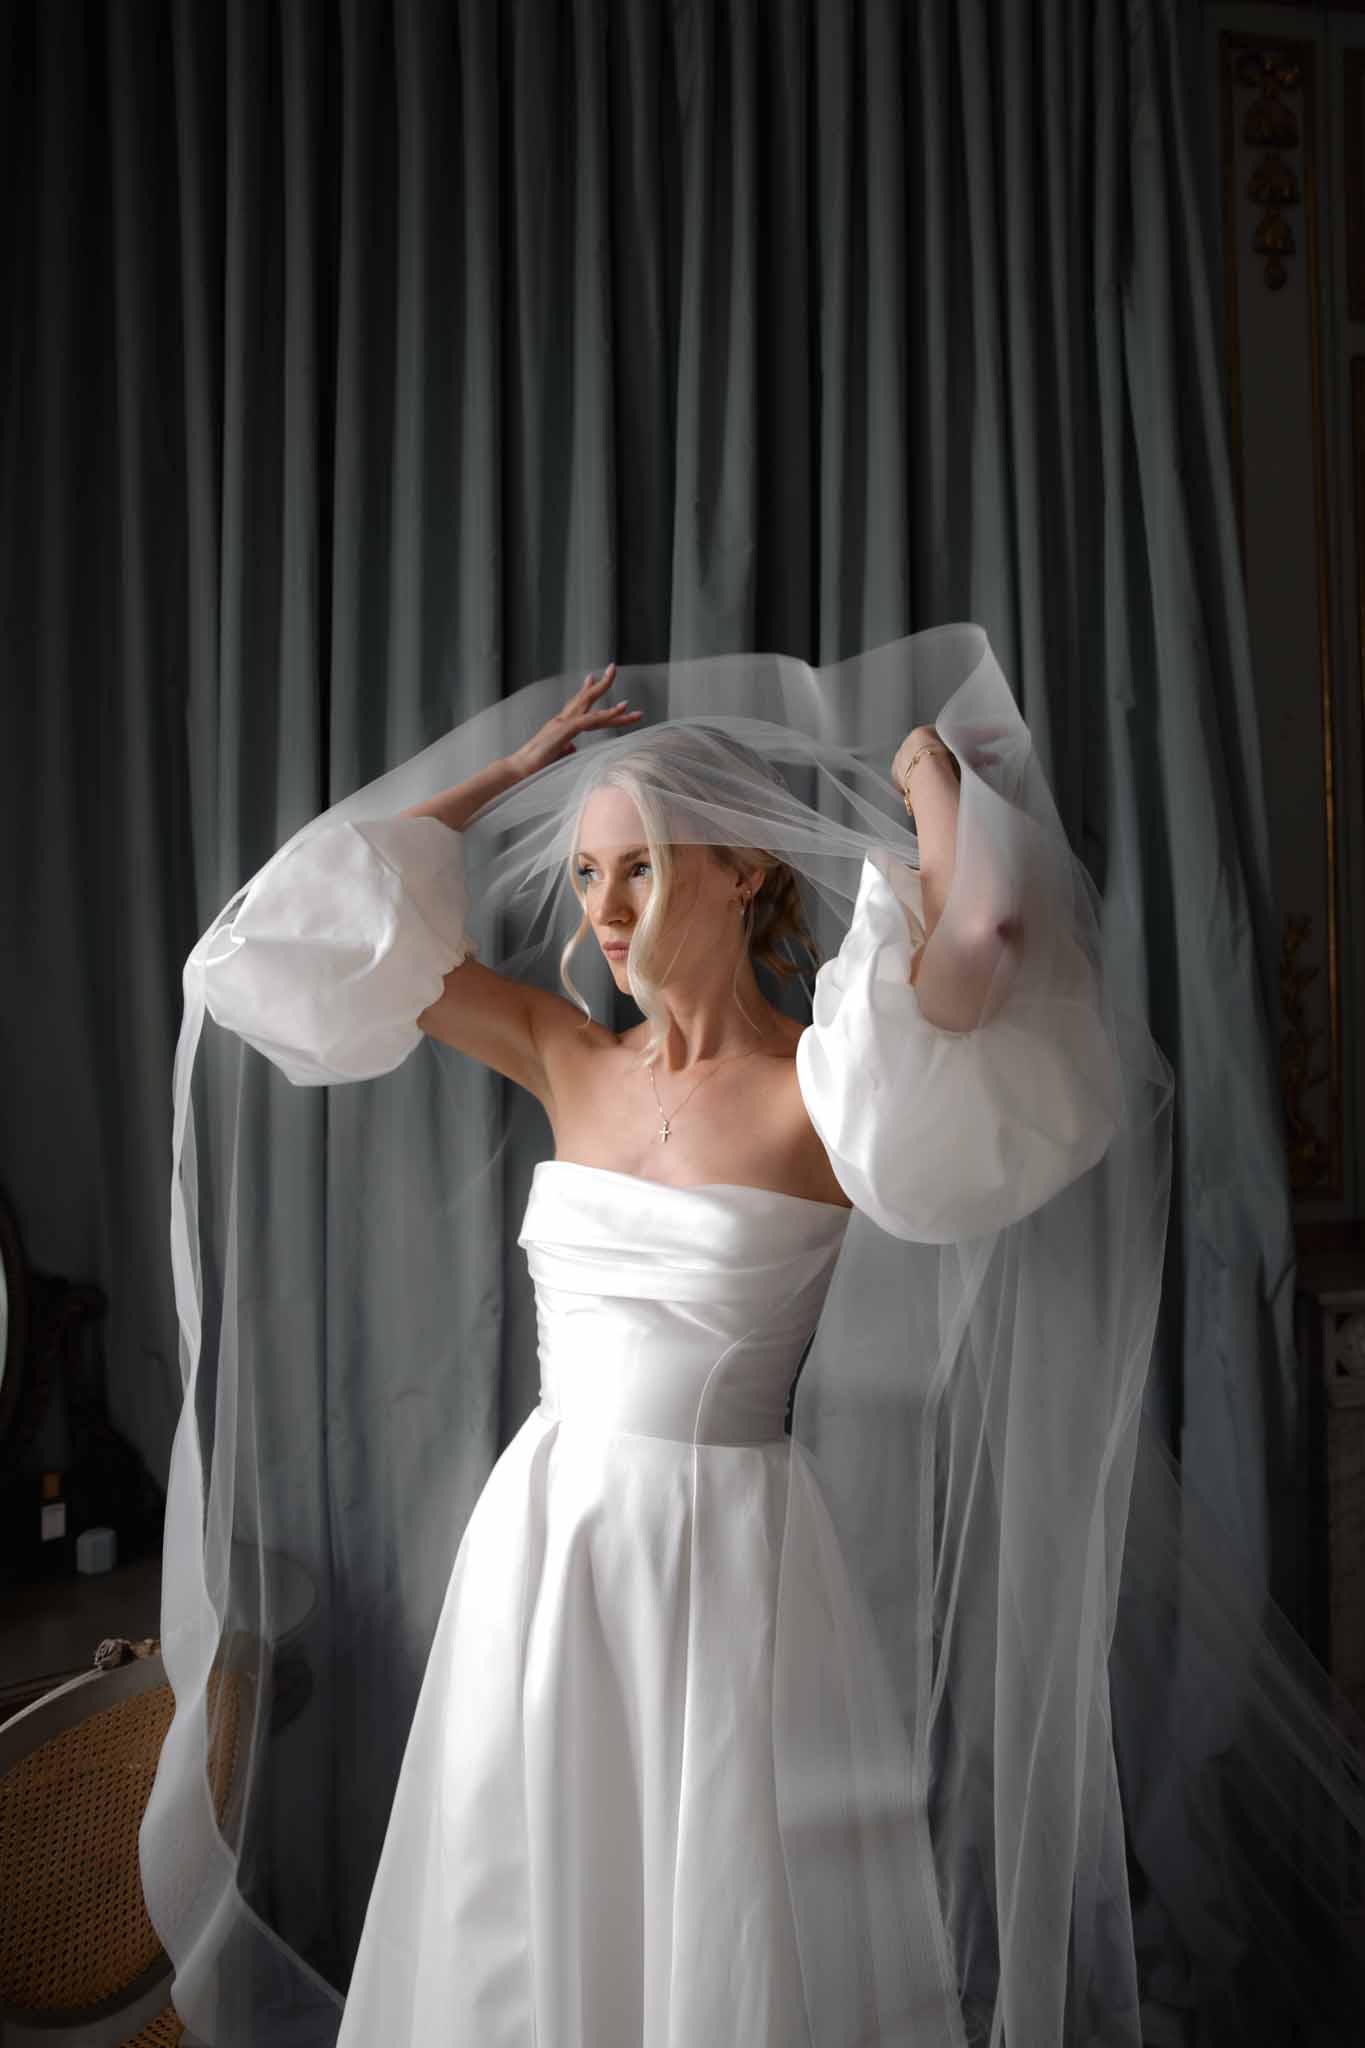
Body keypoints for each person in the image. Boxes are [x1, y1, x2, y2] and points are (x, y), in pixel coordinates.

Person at [140, 626, 1365, 2047]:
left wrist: (923, 773)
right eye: (588, 871)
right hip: (545, 1548)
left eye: (643, 862)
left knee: (710, 1927)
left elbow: (988, 937)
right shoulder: (562, 1054)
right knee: (520, 1910)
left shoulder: (828, 1087)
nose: (603, 905)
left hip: (725, 1559)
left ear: (746, 870)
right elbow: (282, 940)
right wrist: (505, 777)